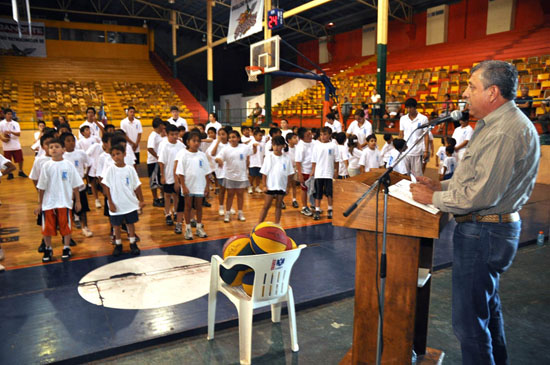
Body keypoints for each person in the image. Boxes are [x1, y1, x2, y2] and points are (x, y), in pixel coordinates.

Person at [411, 60, 540, 365]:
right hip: (489, 230)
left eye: (472, 86)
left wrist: (435, 197)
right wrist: (441, 184)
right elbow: (477, 178)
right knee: (486, 312)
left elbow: (481, 194)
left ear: (493, 92)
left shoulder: (503, 132)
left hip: (484, 231)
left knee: (469, 324)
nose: (465, 93)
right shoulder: (495, 124)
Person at [34, 137, 84, 263]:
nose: (54, 149)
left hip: (65, 202)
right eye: (51, 147)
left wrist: (77, 201)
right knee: (47, 229)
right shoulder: (46, 166)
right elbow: (41, 187)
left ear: (63, 149)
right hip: (48, 203)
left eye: (57, 146)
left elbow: (75, 184)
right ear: (47, 150)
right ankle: (48, 248)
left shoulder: (68, 165)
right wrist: (40, 203)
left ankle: (66, 248)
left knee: (65, 227)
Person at [102, 144, 145, 257]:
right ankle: (118, 244)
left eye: (118, 154)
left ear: (124, 154)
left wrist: (141, 200)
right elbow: (106, 186)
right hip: (116, 203)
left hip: (129, 203)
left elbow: (137, 185)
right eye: (113, 155)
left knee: (130, 224)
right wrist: (110, 202)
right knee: (116, 226)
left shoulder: (130, 169)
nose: (116, 157)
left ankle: (132, 243)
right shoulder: (110, 170)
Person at [175, 131, 211, 239]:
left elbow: (207, 172)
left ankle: (199, 227)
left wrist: (207, 186)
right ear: (188, 142)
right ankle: (188, 229)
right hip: (188, 185)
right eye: (194, 141)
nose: (196, 143)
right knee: (188, 206)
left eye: (198, 141)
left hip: (200, 185)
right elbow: (180, 173)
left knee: (199, 207)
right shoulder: (184, 155)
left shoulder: (202, 155)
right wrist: (183, 186)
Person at [215, 130, 254, 223]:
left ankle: (240, 213)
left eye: (234, 137)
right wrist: (219, 161)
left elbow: (251, 152)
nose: (232, 139)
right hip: (229, 176)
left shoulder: (244, 147)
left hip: (241, 176)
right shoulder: (225, 149)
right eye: (230, 137)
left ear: (238, 138)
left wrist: (247, 163)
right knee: (230, 195)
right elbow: (218, 157)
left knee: (240, 195)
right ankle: (227, 213)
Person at [61, 133, 93, 238]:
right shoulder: (62, 156)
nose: (71, 143)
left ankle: (85, 227)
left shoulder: (81, 153)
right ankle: (68, 231)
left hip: (80, 187)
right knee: (68, 210)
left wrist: (85, 174)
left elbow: (89, 163)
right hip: (67, 189)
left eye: (73, 140)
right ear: (63, 143)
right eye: (68, 141)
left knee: (83, 209)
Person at [258, 136, 294, 224]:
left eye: (278, 145)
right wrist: (264, 185)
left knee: (278, 205)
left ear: (283, 146)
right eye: (274, 145)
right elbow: (264, 173)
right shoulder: (269, 157)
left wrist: (287, 187)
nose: (276, 147)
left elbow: (290, 174)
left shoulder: (287, 158)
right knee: (266, 206)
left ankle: (277, 223)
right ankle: (258, 224)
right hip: (270, 186)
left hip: (281, 186)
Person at [158, 124, 185, 226]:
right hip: (168, 174)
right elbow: (161, 162)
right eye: (172, 134)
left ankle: (176, 212)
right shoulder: (165, 146)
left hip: (178, 176)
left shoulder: (181, 146)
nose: (174, 136)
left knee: (176, 194)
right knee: (167, 195)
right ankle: (167, 213)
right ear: (167, 135)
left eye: (176, 134)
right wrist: (162, 175)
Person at [310, 127, 340, 220]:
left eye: (325, 134)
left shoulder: (333, 146)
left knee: (329, 193)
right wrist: (313, 171)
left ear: (330, 135)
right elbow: (314, 161)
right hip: (319, 173)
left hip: (329, 173)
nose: (323, 137)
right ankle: (317, 210)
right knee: (317, 193)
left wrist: (336, 171)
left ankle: (330, 209)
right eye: (321, 134)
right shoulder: (316, 146)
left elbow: (337, 160)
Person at [398, 98, 429, 176]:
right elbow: (401, 134)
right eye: (407, 108)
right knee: (404, 174)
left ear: (415, 107)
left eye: (410, 107)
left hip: (417, 151)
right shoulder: (403, 119)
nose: (408, 109)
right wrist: (399, 149)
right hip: (405, 151)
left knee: (417, 176)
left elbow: (426, 135)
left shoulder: (423, 119)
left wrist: (426, 151)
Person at [208, 126, 231, 216]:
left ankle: (230, 207)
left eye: (223, 134)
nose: (221, 136)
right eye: (219, 134)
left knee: (230, 191)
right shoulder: (216, 143)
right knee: (222, 190)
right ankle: (221, 207)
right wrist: (217, 142)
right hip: (221, 171)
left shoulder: (230, 144)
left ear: (227, 135)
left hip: (230, 171)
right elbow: (212, 153)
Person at [0, 108, 27, 178]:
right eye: (8, 114)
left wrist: (11, 132)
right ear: (4, 115)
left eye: (11, 114)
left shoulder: (16, 123)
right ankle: (10, 173)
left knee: (20, 159)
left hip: (16, 144)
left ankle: (21, 171)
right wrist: (3, 138)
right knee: (7, 160)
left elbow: (18, 134)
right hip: (6, 146)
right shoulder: (1, 123)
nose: (10, 115)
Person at [295, 127, 314, 216]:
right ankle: (304, 207)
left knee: (314, 189)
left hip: (313, 170)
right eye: (307, 135)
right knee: (304, 190)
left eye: (310, 134)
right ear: (302, 137)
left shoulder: (314, 143)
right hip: (305, 171)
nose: (310, 136)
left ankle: (313, 205)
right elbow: (298, 162)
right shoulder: (300, 146)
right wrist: (300, 175)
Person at [147, 118, 166, 207]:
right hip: (153, 161)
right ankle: (155, 199)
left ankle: (161, 197)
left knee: (158, 180)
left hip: (157, 161)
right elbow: (150, 148)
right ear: (159, 125)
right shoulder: (153, 135)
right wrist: (157, 157)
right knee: (153, 181)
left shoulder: (158, 135)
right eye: (162, 125)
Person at [285, 132, 299, 208]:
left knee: (294, 185)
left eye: (296, 137)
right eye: (294, 138)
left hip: (295, 168)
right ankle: (282, 200)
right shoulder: (285, 149)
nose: (296, 139)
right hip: (287, 169)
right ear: (289, 140)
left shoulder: (298, 148)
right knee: (286, 185)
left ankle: (294, 200)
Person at [248, 128, 265, 194]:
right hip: (253, 162)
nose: (261, 137)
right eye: (259, 135)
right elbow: (249, 153)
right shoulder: (251, 143)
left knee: (258, 176)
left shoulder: (263, 143)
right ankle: (250, 186)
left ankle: (257, 186)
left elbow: (264, 153)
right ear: (254, 136)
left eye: (261, 136)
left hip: (260, 162)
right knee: (252, 176)